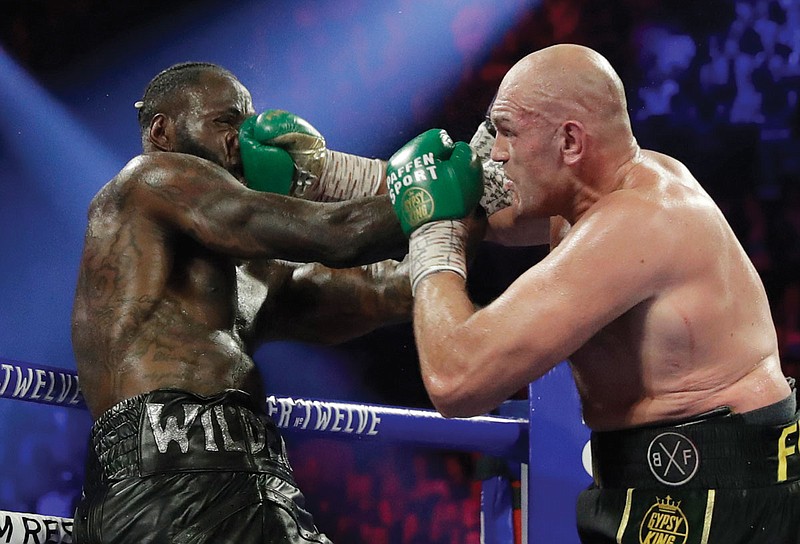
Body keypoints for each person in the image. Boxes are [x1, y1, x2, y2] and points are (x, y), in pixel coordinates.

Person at [386, 44, 800, 543]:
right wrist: (320, 176)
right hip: (664, 483)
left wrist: (434, 241)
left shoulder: (638, 220)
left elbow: (456, 379)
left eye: (508, 132)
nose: (494, 151)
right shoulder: (591, 197)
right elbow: (451, 202)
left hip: (716, 493)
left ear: (570, 142)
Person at [70, 62, 414, 544]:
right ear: (162, 131)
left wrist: (478, 205)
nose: (246, 138)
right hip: (173, 482)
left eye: (249, 123)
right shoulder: (148, 180)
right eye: (226, 122)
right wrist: (421, 188)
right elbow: (331, 234)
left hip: (246, 480)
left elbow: (393, 291)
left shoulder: (255, 268)